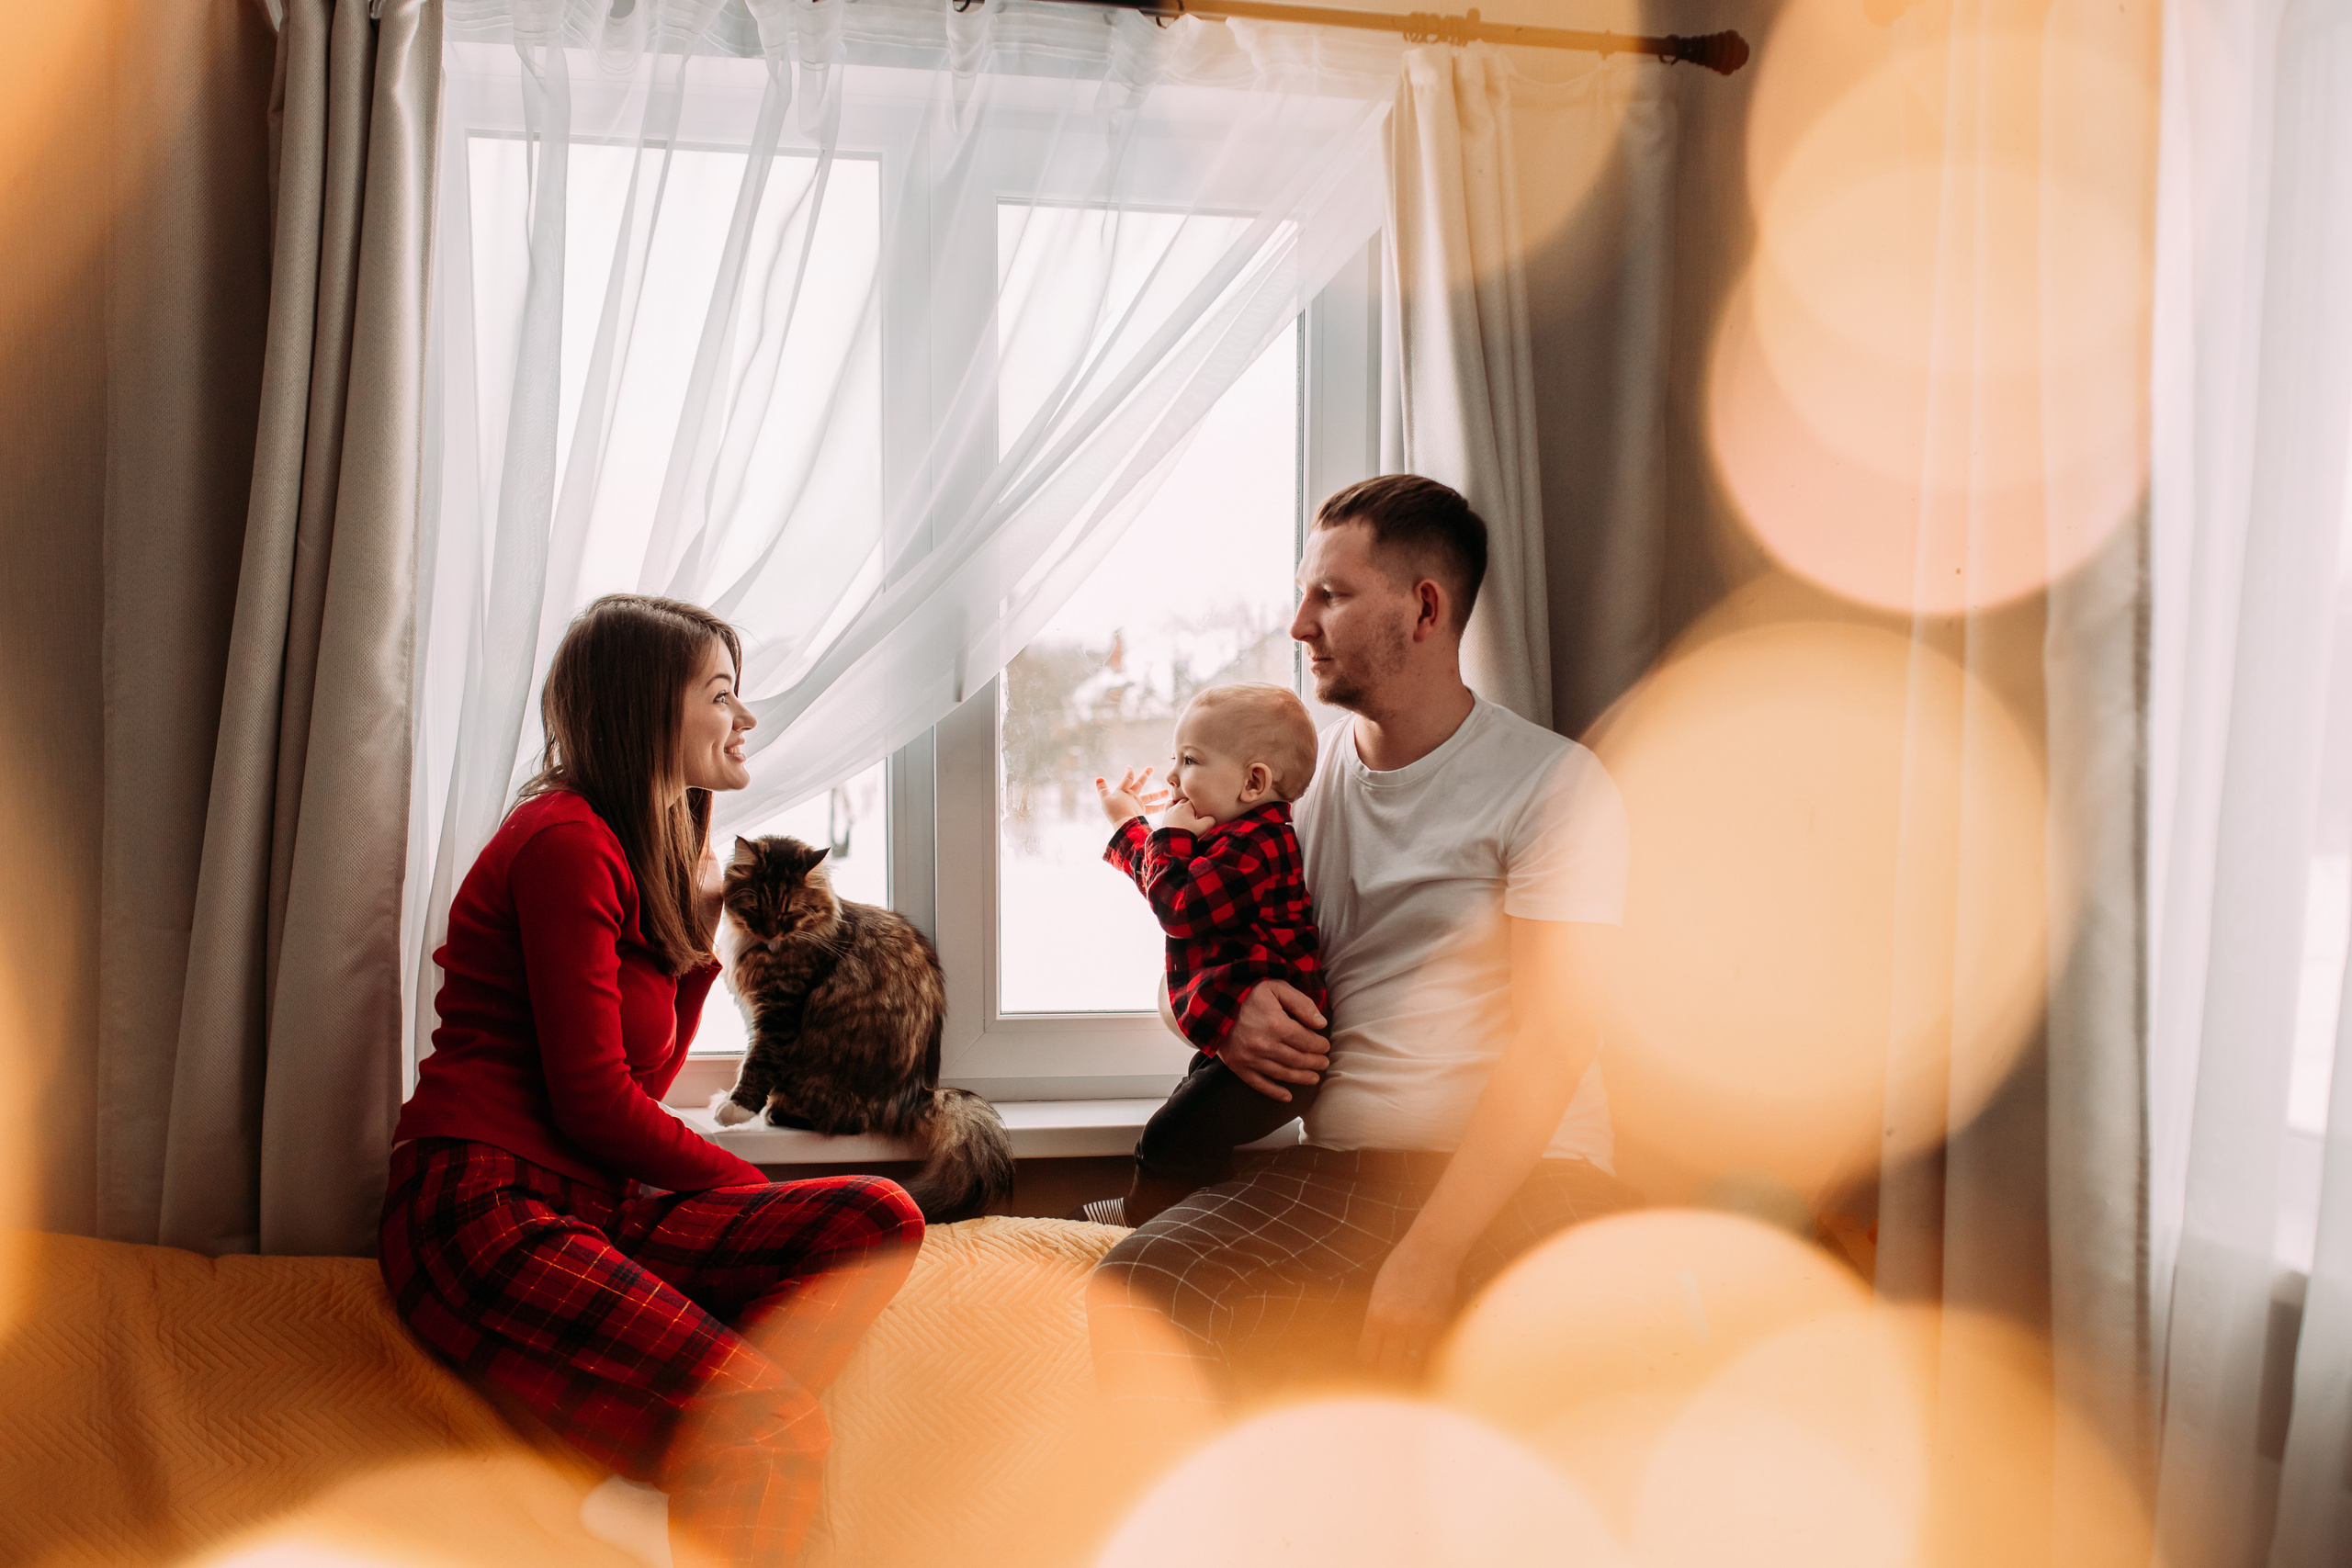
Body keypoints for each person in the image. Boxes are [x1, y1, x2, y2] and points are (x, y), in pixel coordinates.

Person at [379, 594, 922, 1566]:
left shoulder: (628, 851)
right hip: (481, 1205)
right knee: (771, 1430)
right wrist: (742, 1189)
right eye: (722, 695)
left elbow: (639, 1077)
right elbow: (593, 1102)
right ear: (645, 709)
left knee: (877, 1219)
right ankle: (696, 1451)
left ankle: (653, 1468)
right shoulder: (564, 840)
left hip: (589, 1203)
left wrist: (701, 941)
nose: (744, 719)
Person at [1089, 474, 1639, 1401]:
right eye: (1303, 595)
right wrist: (1224, 1022)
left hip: (1528, 1179)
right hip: (1345, 1176)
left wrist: (1430, 1257)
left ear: (1423, 608)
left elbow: (1556, 1041)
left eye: (1329, 597)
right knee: (1140, 1289)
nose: (1299, 624)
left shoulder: (1554, 786)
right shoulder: (1287, 790)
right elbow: (1190, 960)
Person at [1077, 682, 1329, 1229]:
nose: (1171, 777)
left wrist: (1157, 836)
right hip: (1250, 1045)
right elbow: (1170, 884)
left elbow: (1178, 905)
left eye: (1189, 760)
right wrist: (1131, 830)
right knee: (1190, 1116)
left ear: (1253, 781)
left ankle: (1141, 1219)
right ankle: (1188, 1220)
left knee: (1166, 1138)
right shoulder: (1230, 838)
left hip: (1279, 1055)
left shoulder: (1260, 845)